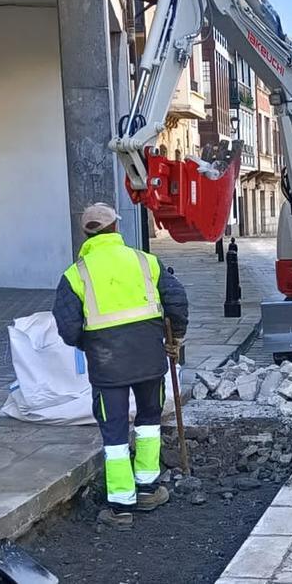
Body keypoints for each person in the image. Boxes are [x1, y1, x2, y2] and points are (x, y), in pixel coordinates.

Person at [53, 202, 189, 530]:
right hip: (149, 360)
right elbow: (177, 300)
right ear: (116, 228)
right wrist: (176, 338)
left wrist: (90, 342)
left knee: (114, 433)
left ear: (86, 234)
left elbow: (68, 328)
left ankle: (121, 507)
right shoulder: (145, 261)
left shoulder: (75, 274)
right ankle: (148, 488)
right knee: (147, 423)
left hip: (106, 366)